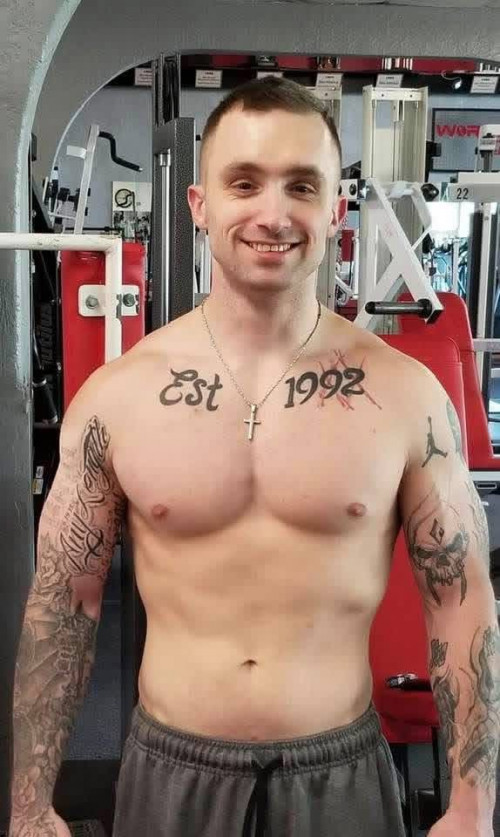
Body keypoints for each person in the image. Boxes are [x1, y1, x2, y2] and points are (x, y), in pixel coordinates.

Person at [9, 77, 499, 837]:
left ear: (335, 210)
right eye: (244, 183)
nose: (273, 213)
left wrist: (472, 805)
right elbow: (63, 606)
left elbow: (461, 601)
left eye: (301, 185)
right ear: (199, 204)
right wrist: (28, 804)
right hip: (173, 772)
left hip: (339, 772)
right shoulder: (119, 397)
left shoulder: (407, 396)